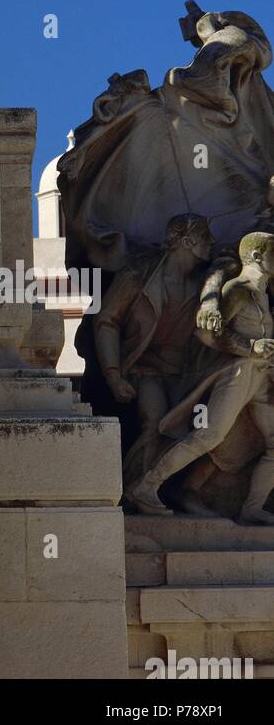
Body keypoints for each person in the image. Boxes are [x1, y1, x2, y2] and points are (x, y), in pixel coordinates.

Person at [128, 232, 274, 525]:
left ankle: (252, 507)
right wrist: (249, 348)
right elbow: (205, 333)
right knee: (208, 436)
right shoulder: (237, 290)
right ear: (257, 257)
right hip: (236, 374)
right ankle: (146, 486)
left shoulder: (261, 295)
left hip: (259, 380)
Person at [93, 214, 214, 497]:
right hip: (145, 368)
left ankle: (183, 492)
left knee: (199, 430)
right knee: (156, 422)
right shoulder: (138, 277)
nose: (213, 242)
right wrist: (113, 375)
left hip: (189, 372)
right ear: (188, 241)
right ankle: (137, 491)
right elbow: (107, 321)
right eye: (206, 236)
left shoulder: (204, 284)